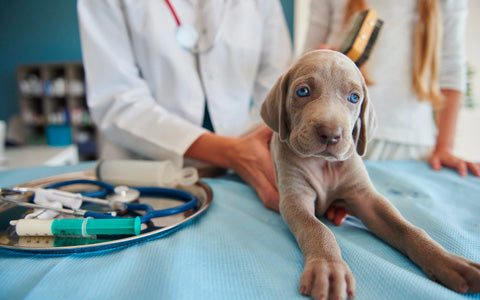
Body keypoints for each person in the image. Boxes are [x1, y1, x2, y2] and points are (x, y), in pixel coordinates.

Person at [77, 0, 293, 211]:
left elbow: (278, 89)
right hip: (147, 174)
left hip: (242, 172)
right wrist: (232, 152)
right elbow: (116, 99)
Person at [303, 0, 479, 226]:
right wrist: (319, 57)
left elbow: (451, 70)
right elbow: (306, 55)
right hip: (338, 140)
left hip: (411, 150)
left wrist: (444, 147)